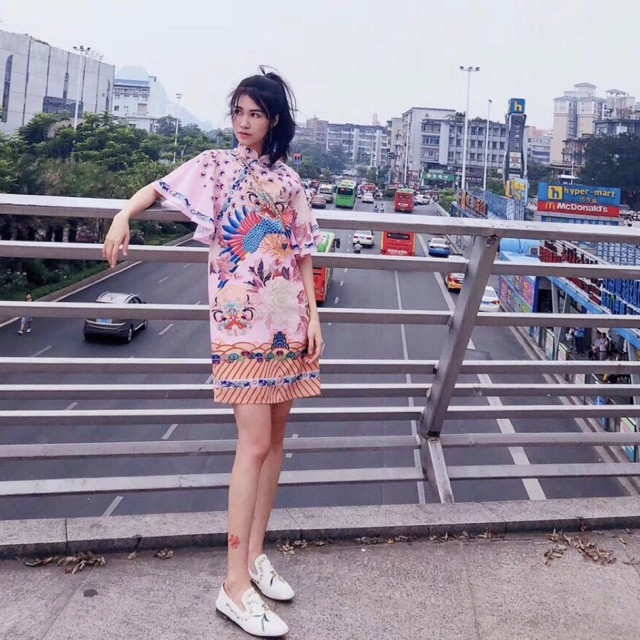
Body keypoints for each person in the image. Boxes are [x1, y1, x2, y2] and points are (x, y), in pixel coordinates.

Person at [103, 69, 323, 638]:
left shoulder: (290, 179)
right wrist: (124, 215)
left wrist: (314, 319)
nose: (243, 123)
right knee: (254, 445)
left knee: (276, 442)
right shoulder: (216, 165)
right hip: (239, 322)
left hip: (288, 320)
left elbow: (302, 251)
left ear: (274, 119)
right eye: (238, 112)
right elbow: (157, 189)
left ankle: (255, 557)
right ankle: (233, 584)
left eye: (255, 114)